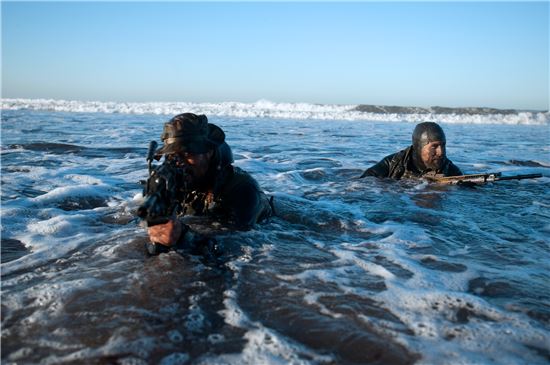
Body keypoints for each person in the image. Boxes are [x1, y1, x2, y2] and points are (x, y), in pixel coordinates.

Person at [146, 113, 273, 252]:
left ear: (209, 152)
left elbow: (235, 247)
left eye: (188, 154)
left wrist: (182, 236)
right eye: (173, 156)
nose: (179, 163)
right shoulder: (176, 179)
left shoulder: (243, 190)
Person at [360, 122, 462, 180]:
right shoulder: (392, 163)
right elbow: (365, 182)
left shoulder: (451, 170)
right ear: (418, 147)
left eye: (443, 146)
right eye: (434, 146)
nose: (441, 152)